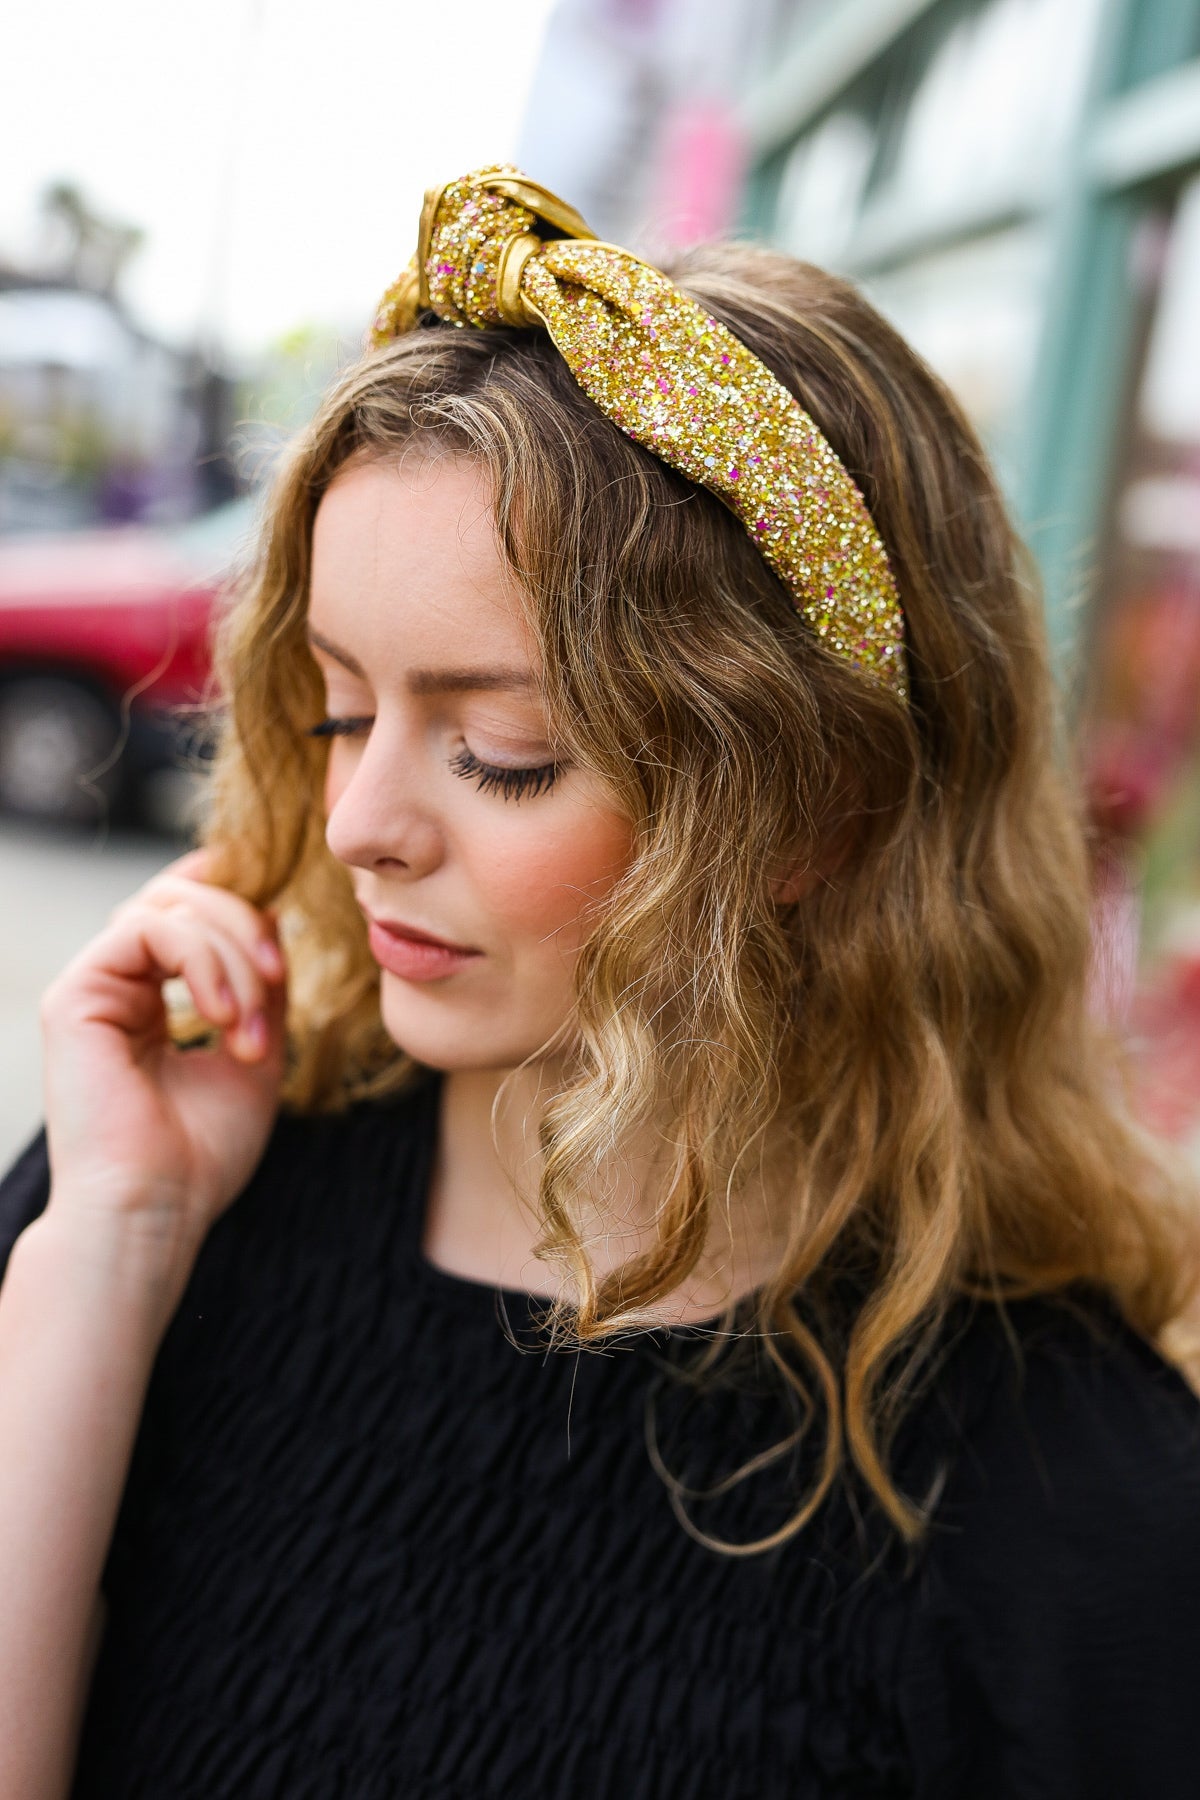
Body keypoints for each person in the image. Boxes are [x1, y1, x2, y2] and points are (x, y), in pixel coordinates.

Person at [1, 166, 1199, 1800]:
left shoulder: (1071, 1503)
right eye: (342, 710)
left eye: (501, 757)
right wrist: (110, 1259)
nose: (355, 826)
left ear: (814, 805)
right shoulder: (171, 1189)